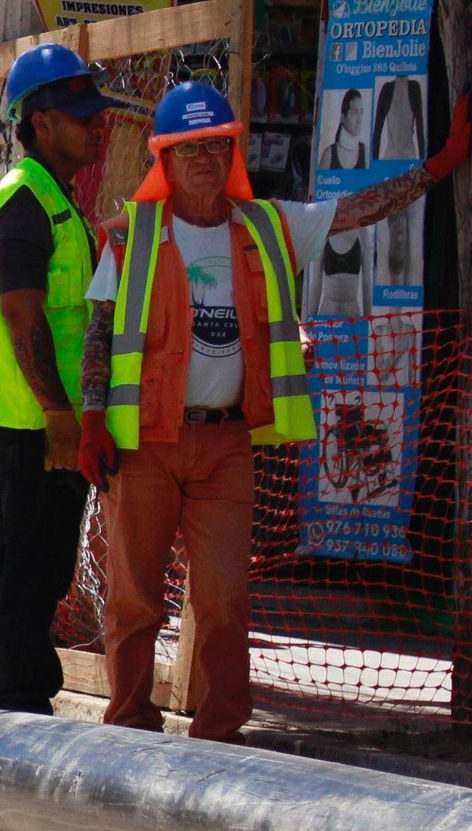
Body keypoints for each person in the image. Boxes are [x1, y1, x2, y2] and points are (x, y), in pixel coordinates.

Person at [79, 81, 467, 740]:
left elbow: (358, 210)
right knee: (135, 599)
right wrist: (92, 421)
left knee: (226, 597)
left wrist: (438, 165)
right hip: (146, 444)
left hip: (227, 444)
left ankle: (221, 732)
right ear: (163, 160)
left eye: (215, 146)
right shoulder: (133, 237)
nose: (203, 157)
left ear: (231, 152)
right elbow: (100, 334)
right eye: (187, 148)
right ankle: (130, 724)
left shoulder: (266, 224)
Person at [0, 42, 116, 713]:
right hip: (32, 417)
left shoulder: (56, 199)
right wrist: (56, 412)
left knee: (30, 558)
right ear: (40, 122)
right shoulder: (26, 200)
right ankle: (16, 695)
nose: (95, 125)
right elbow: (24, 318)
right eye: (79, 115)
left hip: (43, 413)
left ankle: (2, 690)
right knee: (32, 563)